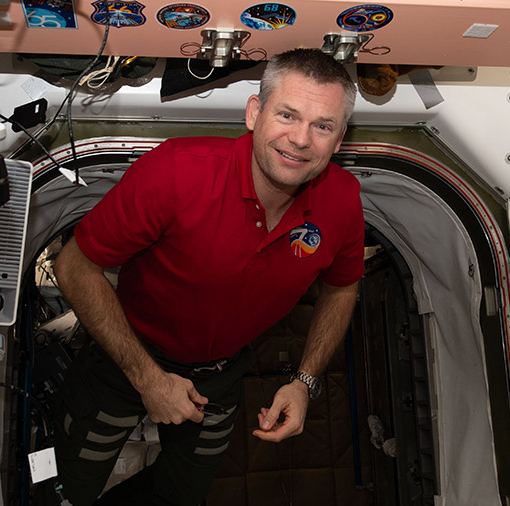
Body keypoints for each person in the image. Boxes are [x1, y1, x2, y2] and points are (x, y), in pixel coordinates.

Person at [51, 48, 365, 506]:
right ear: (254, 113)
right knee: (72, 489)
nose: (300, 139)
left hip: (220, 376)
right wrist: (150, 381)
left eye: (323, 126)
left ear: (339, 140)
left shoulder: (343, 200)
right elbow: (74, 265)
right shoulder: (177, 172)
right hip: (124, 358)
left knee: (183, 496)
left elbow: (343, 286)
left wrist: (305, 382)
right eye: (287, 115)